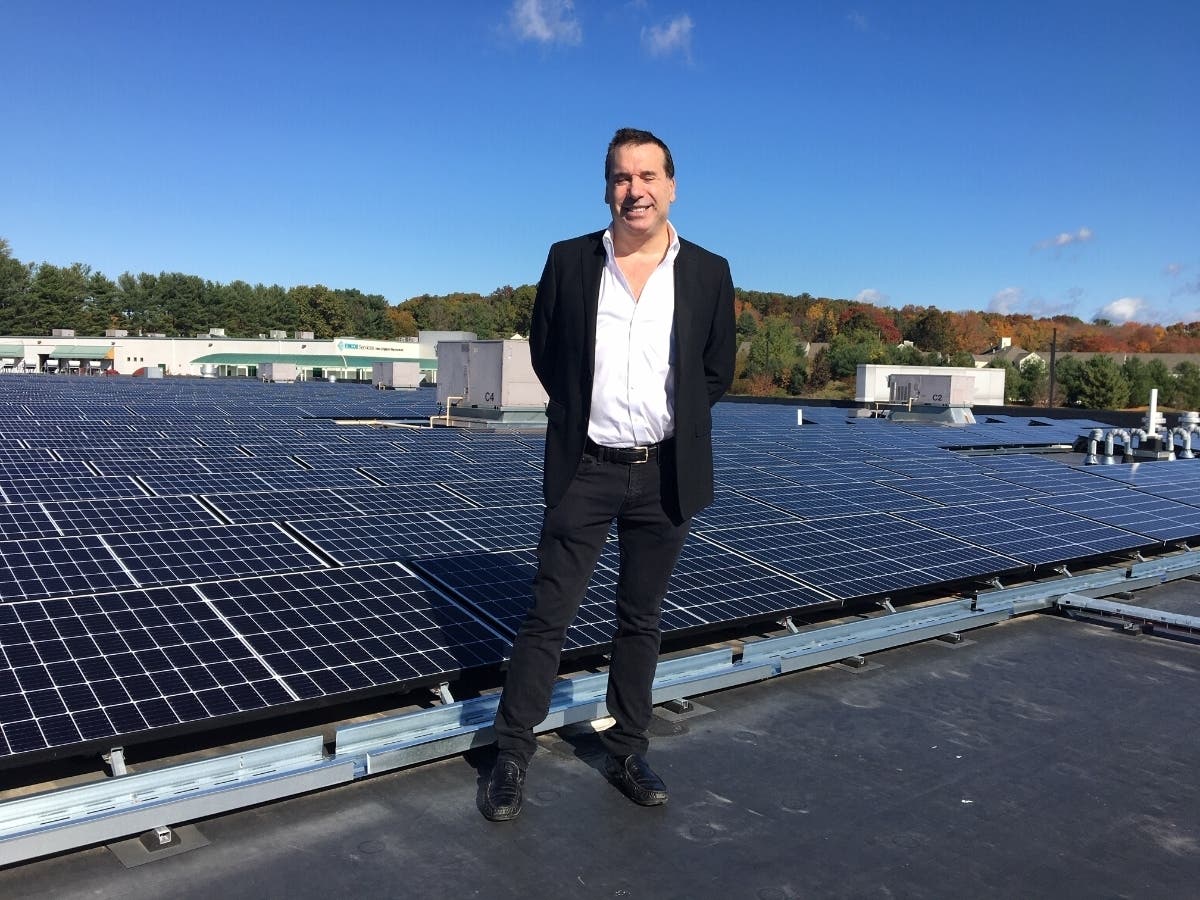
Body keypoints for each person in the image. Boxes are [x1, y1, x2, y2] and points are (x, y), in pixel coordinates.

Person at [481, 127, 736, 821]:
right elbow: (545, 350)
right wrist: (580, 414)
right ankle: (511, 753)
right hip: (585, 469)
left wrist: (667, 422)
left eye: (648, 176)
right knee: (547, 615)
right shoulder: (569, 262)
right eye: (623, 178)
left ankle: (626, 746)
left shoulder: (709, 272)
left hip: (664, 473)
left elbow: (716, 372)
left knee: (640, 619)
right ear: (607, 188)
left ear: (672, 185)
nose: (636, 191)